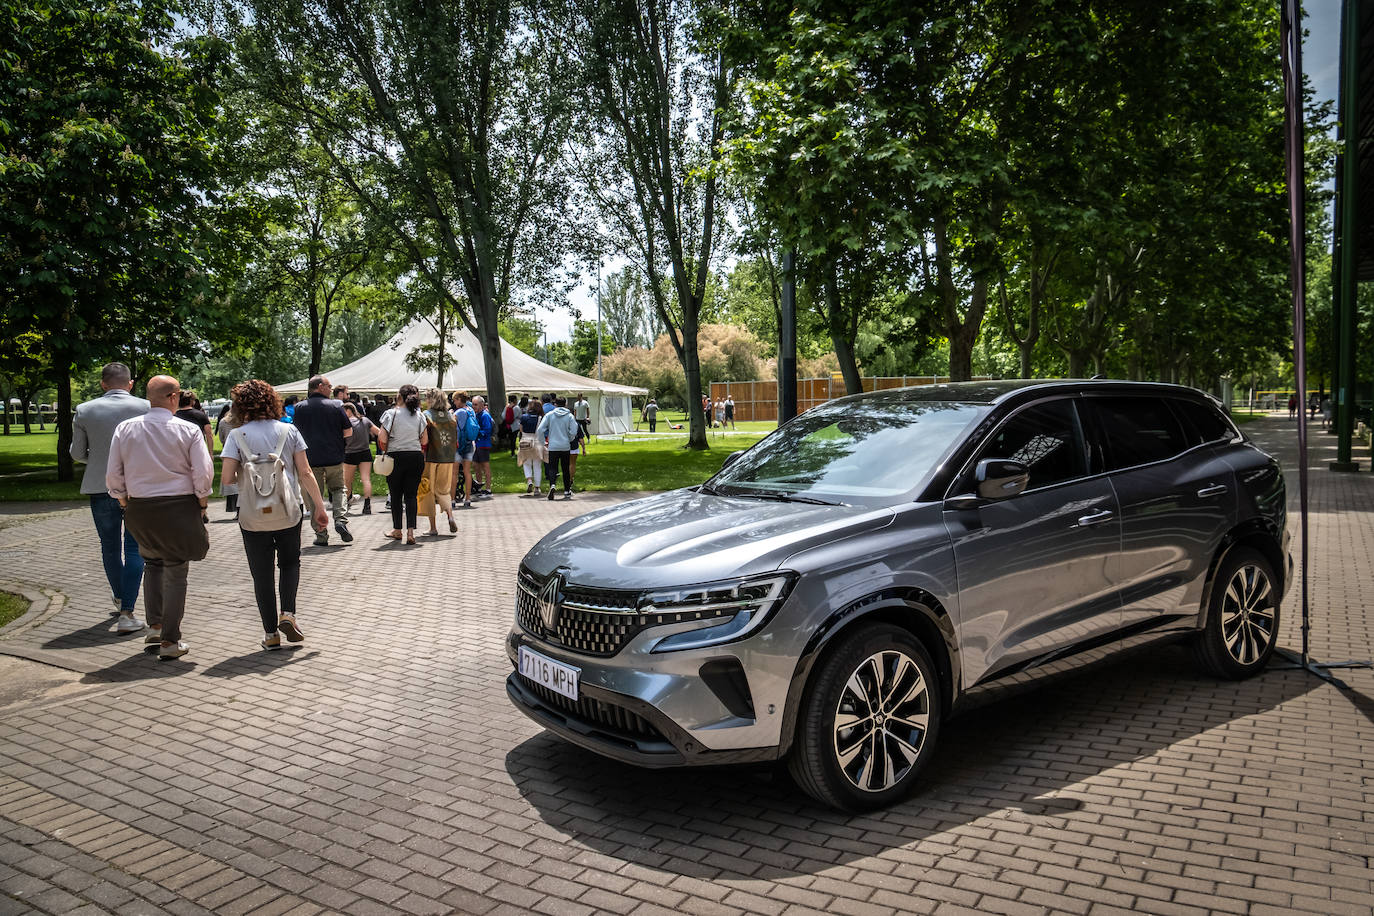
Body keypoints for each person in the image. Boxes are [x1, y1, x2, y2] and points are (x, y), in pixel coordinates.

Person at [106, 375, 212, 659]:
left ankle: (155, 625)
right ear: (174, 397)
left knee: (152, 563)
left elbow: (114, 473)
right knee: (176, 571)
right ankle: (170, 640)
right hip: (179, 504)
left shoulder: (125, 428)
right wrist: (202, 502)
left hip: (139, 505)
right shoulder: (188, 430)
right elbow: (202, 472)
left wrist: (124, 500)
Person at [219, 380, 329, 650]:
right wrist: (320, 506)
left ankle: (270, 634)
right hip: (288, 509)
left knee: (262, 573)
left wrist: (252, 474)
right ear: (272, 401)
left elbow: (227, 479)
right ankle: (288, 614)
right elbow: (305, 472)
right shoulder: (288, 431)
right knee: (290, 563)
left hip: (252, 515)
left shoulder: (236, 436)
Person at [71, 362, 150, 633]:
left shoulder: (85, 410)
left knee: (109, 546)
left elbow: (77, 452)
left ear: (103, 383)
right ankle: (127, 609)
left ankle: (120, 598)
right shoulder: (146, 407)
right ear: (130, 383)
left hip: (99, 483)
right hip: (136, 486)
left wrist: (97, 461)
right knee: (134, 547)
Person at [290, 375, 353, 547]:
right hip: (334, 456)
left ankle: (321, 534)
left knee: (313, 495)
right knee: (339, 488)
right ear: (320, 386)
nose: (331, 388)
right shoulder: (336, 405)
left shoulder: (299, 408)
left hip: (309, 460)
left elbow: (294, 433)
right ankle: (340, 520)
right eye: (329, 385)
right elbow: (348, 432)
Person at [379, 384, 428, 544]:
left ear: (400, 396)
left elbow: (382, 438)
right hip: (415, 456)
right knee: (411, 495)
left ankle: (397, 529)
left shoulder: (390, 414)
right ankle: (411, 532)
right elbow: (425, 440)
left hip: (395, 457)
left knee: (395, 495)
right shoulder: (420, 416)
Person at [421, 387, 459, 536]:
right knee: (444, 489)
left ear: (431, 399)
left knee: (428, 490)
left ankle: (433, 527)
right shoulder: (451, 416)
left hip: (430, 456)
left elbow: (424, 439)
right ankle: (450, 516)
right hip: (447, 457)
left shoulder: (426, 415)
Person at [537, 395, 579, 500]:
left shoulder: (550, 415)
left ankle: (552, 485)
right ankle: (567, 490)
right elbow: (574, 430)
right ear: (565, 404)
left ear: (555, 404)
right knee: (565, 468)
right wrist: (569, 438)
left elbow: (540, 430)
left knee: (552, 468)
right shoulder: (569, 416)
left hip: (553, 446)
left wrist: (543, 442)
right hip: (565, 446)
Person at [342, 402, 377, 515]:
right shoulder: (365, 420)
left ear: (348, 410)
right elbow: (378, 432)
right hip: (365, 452)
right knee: (366, 479)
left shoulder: (345, 423)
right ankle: (367, 505)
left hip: (350, 453)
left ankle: (346, 503)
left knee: (347, 481)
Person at [216, 402, 243, 514]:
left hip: (229, 453)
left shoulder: (223, 422)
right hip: (243, 452)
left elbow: (221, 438)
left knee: (231, 480)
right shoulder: (244, 422)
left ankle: (235, 508)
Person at [452, 391, 477, 508]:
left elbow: (451, 424)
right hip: (469, 444)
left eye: (455, 400)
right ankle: (468, 498)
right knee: (467, 472)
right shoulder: (471, 411)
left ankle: (452, 499)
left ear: (459, 399)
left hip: (457, 445)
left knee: (454, 473)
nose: (454, 402)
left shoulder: (458, 412)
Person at [517, 400, 545, 493]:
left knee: (526, 463)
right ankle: (537, 488)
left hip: (525, 441)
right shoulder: (541, 418)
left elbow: (521, 429)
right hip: (537, 442)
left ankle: (529, 480)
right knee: (537, 465)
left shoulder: (524, 417)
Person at [174, 391, 214, 456]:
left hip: (179, 450)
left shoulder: (174, 416)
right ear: (192, 401)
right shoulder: (201, 415)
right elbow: (209, 435)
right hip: (198, 448)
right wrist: (210, 453)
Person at [471, 395, 494, 498]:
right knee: (476, 465)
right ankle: (479, 487)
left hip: (483, 444)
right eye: (473, 404)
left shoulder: (485, 415)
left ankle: (488, 489)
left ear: (481, 404)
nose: (474, 406)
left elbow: (487, 430)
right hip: (476, 444)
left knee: (485, 466)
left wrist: (477, 433)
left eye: (475, 404)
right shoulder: (476, 414)